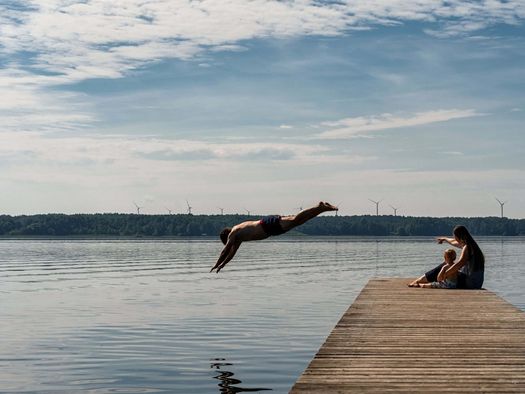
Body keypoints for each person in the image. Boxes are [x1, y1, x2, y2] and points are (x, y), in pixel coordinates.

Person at [210, 202, 338, 273]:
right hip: (271, 231)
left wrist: (216, 264)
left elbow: (225, 251)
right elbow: (231, 254)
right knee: (298, 222)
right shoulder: (238, 239)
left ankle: (319, 206)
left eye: (227, 241)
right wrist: (222, 266)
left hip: (267, 224)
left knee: (294, 219)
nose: (229, 243)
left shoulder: (234, 232)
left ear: (226, 236)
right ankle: (321, 210)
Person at [409, 225, 485, 289]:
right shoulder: (472, 246)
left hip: (469, 284)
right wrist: (445, 239)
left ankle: (418, 281)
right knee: (446, 265)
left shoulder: (467, 247)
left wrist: (445, 274)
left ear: (459, 237)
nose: (455, 239)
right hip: (476, 283)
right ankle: (420, 281)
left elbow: (459, 264)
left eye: (455, 237)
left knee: (444, 265)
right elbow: (453, 242)